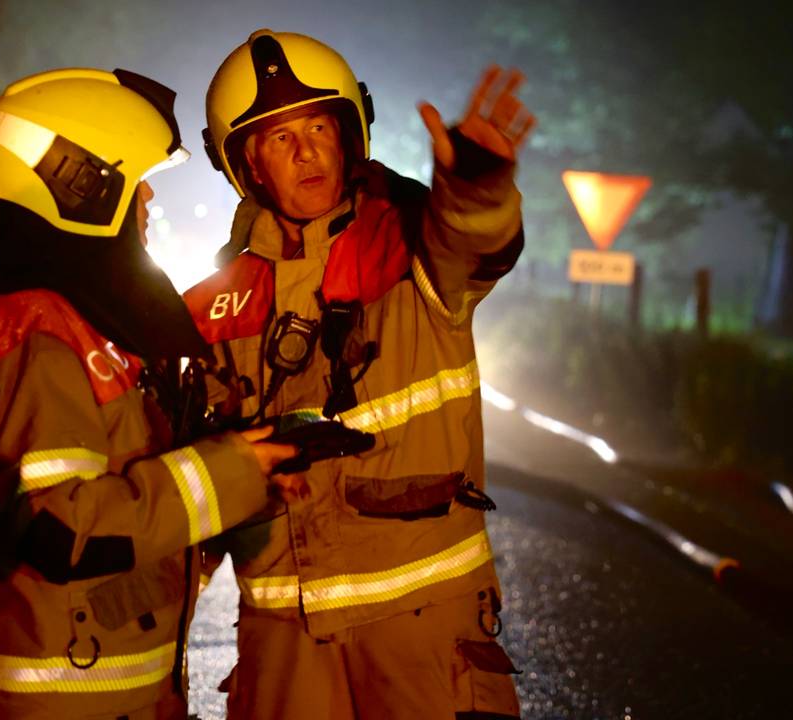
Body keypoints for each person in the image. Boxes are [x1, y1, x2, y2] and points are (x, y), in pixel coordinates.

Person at [185, 29, 534, 718]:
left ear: (349, 134)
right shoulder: (212, 307)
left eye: (318, 126)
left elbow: (473, 237)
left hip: (419, 633)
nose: (306, 150)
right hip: (286, 643)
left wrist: (474, 185)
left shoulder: (411, 243)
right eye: (278, 138)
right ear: (248, 164)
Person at [0, 67, 298, 719]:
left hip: (119, 691)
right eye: (137, 185)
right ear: (82, 188)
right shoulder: (36, 332)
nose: (148, 204)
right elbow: (64, 527)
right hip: (64, 702)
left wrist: (244, 472)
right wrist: (226, 473)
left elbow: (138, 515)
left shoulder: (85, 322)